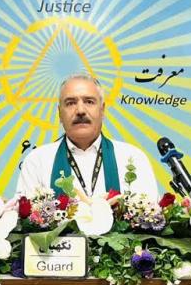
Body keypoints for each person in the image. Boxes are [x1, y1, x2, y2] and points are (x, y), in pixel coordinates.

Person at [16, 73, 159, 199]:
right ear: (59, 113)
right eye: (71, 103)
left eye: (89, 102)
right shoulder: (37, 161)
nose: (80, 110)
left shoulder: (133, 158)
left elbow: (148, 215)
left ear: (102, 110)